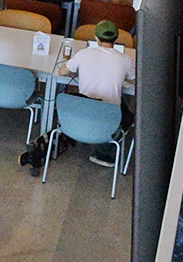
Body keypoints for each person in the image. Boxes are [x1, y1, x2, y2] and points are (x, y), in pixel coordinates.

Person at [57, 21, 136, 167]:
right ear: (117, 39)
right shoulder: (126, 60)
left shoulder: (83, 54)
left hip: (81, 114)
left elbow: (62, 72)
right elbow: (134, 79)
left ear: (96, 38)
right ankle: (103, 152)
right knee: (128, 117)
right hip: (108, 119)